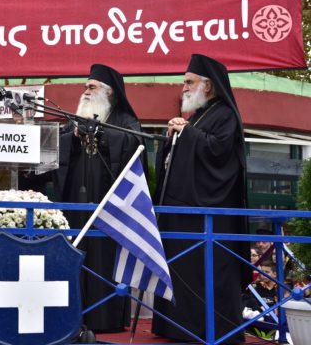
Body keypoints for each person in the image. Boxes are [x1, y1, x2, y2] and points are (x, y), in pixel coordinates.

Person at [152, 54, 250, 344]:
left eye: (189, 82)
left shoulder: (226, 114)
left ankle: (209, 331)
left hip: (210, 217)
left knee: (206, 274)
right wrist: (172, 136)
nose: (183, 87)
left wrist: (187, 133)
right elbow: (184, 153)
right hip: (182, 212)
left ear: (207, 86)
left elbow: (218, 154)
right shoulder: (199, 115)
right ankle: (175, 327)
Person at [54, 64, 143, 333]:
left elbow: (133, 144)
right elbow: (58, 145)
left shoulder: (125, 120)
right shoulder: (76, 119)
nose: (85, 91)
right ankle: (71, 315)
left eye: (91, 87)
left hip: (109, 207)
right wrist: (75, 136)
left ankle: (105, 318)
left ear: (109, 92)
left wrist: (100, 133)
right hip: (76, 205)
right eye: (85, 86)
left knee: (103, 260)